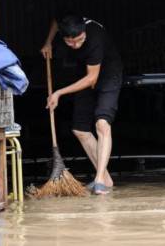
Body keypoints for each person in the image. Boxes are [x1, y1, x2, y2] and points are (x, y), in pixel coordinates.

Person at [41, 15, 123, 195]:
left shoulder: (95, 38)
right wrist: (48, 43)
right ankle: (106, 179)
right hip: (85, 74)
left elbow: (92, 79)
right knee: (79, 129)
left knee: (102, 124)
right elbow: (56, 20)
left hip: (108, 76)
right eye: (71, 43)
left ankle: (99, 178)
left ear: (84, 32)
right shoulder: (66, 25)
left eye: (79, 40)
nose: (76, 45)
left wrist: (59, 92)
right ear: (64, 37)